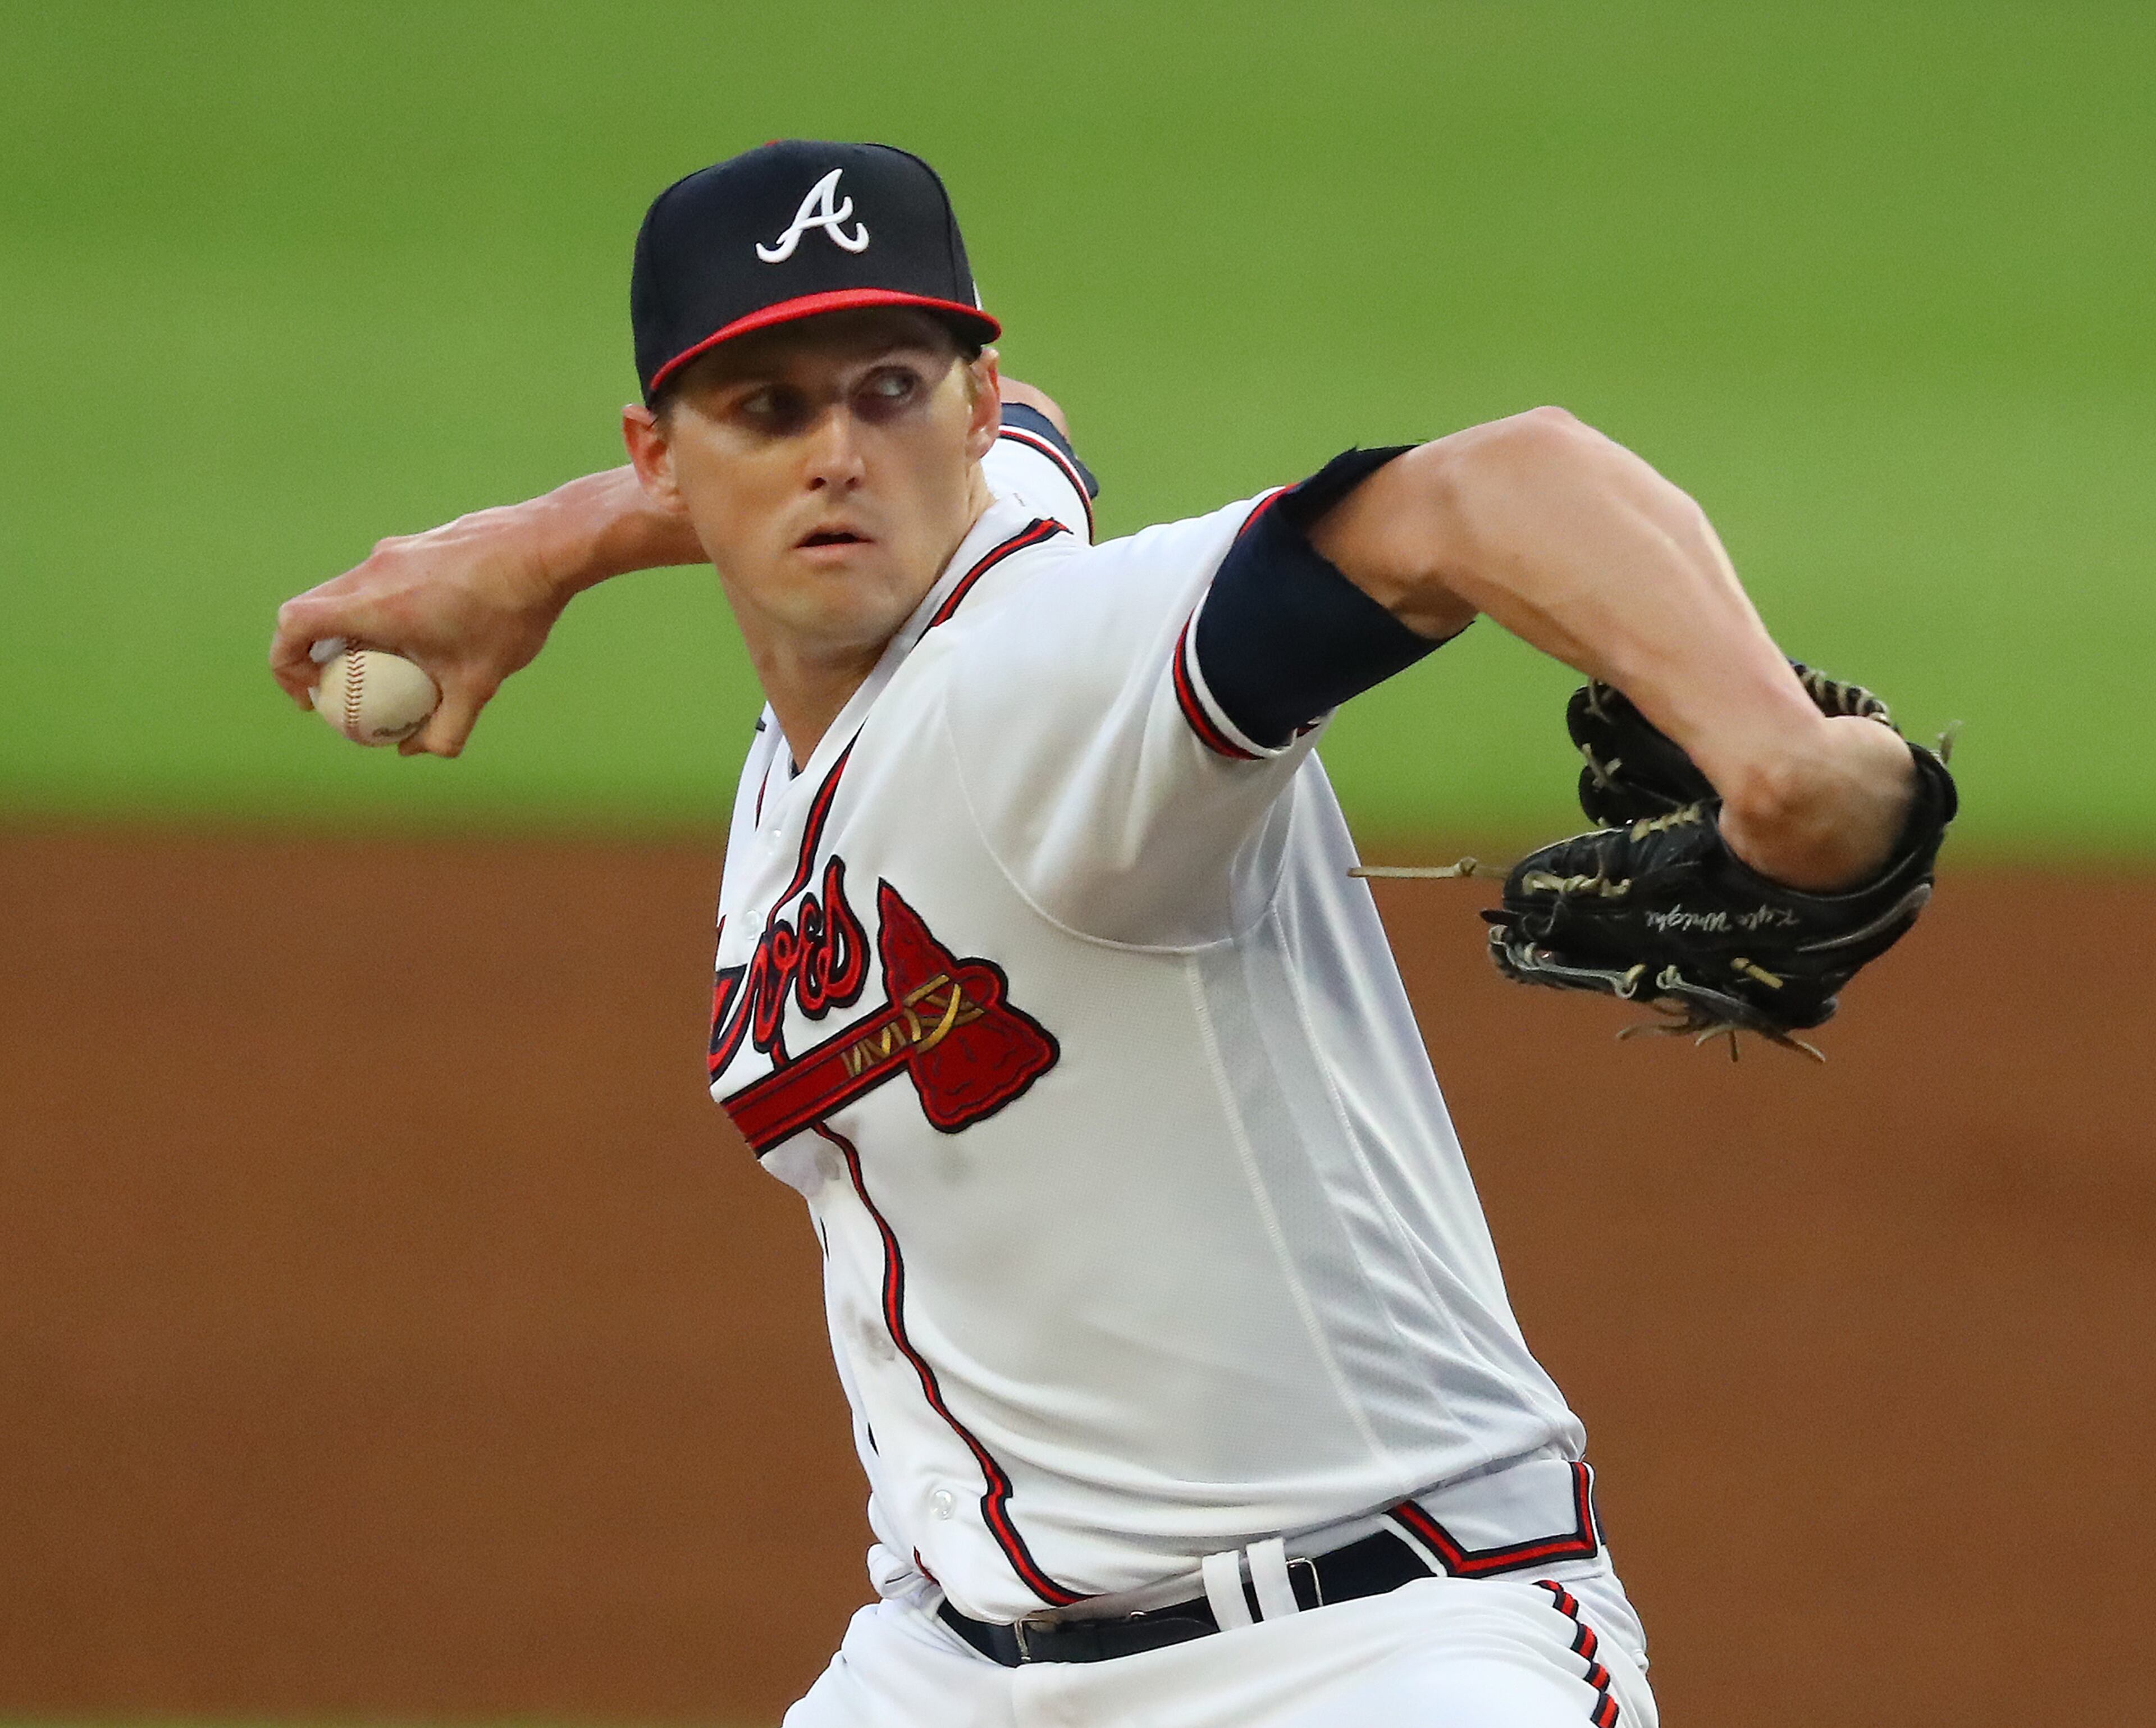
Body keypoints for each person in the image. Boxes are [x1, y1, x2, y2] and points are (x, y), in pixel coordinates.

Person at [271, 140, 1915, 1727]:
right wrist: (541, 548)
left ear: (968, 406)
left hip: (1366, 1652)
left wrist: (1790, 773)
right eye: (766, 409)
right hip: (958, 1671)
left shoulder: (1047, 682)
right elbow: (1035, 436)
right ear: (658, 456)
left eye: (892, 391)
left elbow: (1505, 483)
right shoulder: (897, 633)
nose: (838, 454)